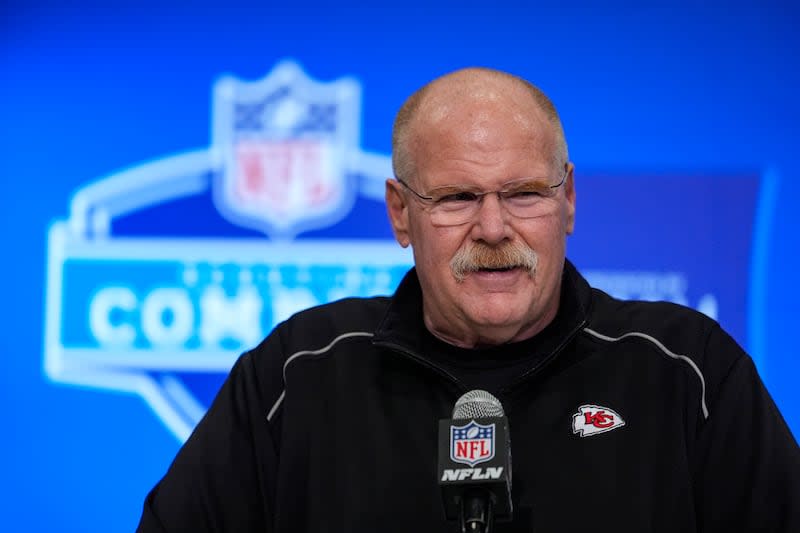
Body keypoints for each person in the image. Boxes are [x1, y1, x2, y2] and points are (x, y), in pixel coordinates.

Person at [136, 67, 800, 532]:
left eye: (523, 193)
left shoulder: (687, 370)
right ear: (401, 214)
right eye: (457, 198)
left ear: (567, 200)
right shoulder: (298, 372)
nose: (492, 228)